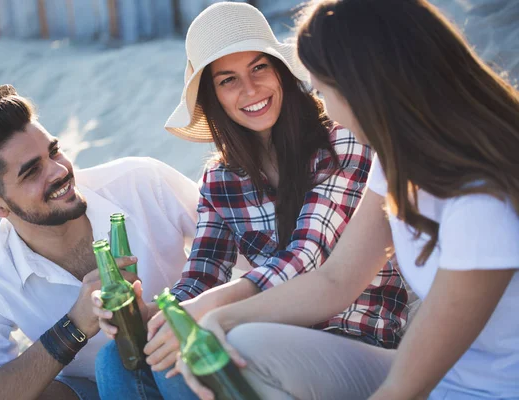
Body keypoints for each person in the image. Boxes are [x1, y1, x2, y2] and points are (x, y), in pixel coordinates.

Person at [175, 0, 519, 399]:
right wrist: (222, 318)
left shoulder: (481, 203)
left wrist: (223, 309)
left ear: (364, 86)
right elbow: (335, 279)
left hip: (472, 389)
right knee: (242, 344)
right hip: (425, 373)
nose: (324, 107)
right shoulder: (396, 164)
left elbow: (404, 388)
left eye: (321, 88)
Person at [93, 2, 408, 399]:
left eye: (259, 68)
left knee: (190, 357)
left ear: (280, 70)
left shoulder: (342, 137)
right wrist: (156, 315)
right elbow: (200, 277)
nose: (250, 90)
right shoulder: (220, 179)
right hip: (268, 331)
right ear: (213, 97)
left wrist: (206, 312)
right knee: (115, 357)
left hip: (359, 336)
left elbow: (308, 255)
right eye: (228, 80)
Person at [0, 85, 202, 400]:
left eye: (53, 151)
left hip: (190, 354)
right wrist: (73, 327)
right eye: (32, 172)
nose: (60, 171)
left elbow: (245, 251)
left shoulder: (141, 182)